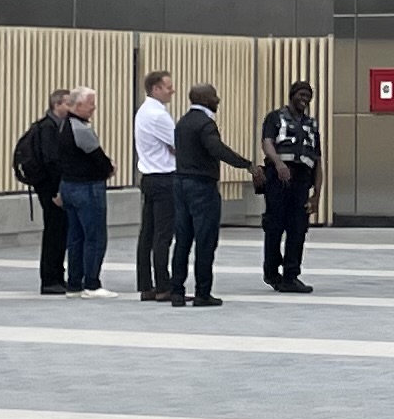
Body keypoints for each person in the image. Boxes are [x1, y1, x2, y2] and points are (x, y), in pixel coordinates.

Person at [165, 80, 255, 307]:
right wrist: (247, 165)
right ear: (205, 99)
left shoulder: (182, 122)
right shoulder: (205, 124)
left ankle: (176, 291)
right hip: (201, 187)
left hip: (180, 183)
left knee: (183, 240)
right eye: (214, 96)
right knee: (205, 240)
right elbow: (217, 149)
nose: (218, 99)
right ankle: (202, 293)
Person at [259, 80, 323, 293]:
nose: (304, 99)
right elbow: (267, 142)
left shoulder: (311, 124)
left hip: (302, 180)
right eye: (301, 95)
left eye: (308, 96)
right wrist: (278, 163)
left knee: (298, 229)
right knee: (274, 225)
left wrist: (317, 195)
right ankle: (271, 271)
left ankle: (291, 275)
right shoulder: (275, 117)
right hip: (279, 178)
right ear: (292, 95)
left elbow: (318, 160)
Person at [50, 87, 115, 294]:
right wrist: (110, 168)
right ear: (78, 106)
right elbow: (99, 158)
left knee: (75, 238)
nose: (94, 108)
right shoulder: (81, 130)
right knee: (94, 237)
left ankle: (74, 283)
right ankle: (92, 284)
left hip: (68, 186)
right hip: (87, 188)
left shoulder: (62, 126)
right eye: (91, 103)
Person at [13, 87, 73, 295]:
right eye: (68, 103)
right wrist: (58, 190)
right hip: (49, 186)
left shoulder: (56, 126)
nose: (71, 107)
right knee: (54, 231)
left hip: (50, 184)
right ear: (57, 105)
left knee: (59, 230)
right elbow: (51, 161)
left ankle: (57, 275)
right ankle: (50, 278)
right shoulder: (48, 128)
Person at [130, 68, 181, 302]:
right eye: (168, 86)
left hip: (149, 176)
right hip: (163, 177)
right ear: (155, 88)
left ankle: (146, 284)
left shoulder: (143, 111)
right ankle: (163, 285)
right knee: (163, 234)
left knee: (147, 234)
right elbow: (177, 144)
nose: (172, 90)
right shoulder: (158, 115)